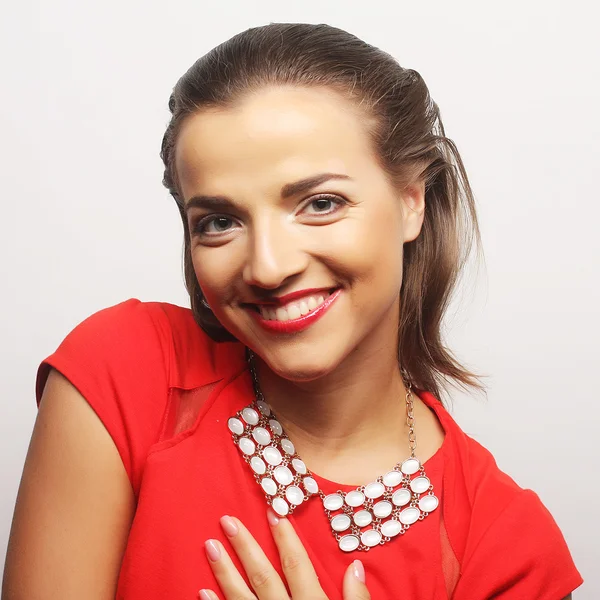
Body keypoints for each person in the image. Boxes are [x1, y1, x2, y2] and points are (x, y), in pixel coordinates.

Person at [3, 22, 582, 600]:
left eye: (320, 203)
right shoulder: (127, 373)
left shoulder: (507, 548)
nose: (268, 267)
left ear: (412, 201)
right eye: (219, 221)